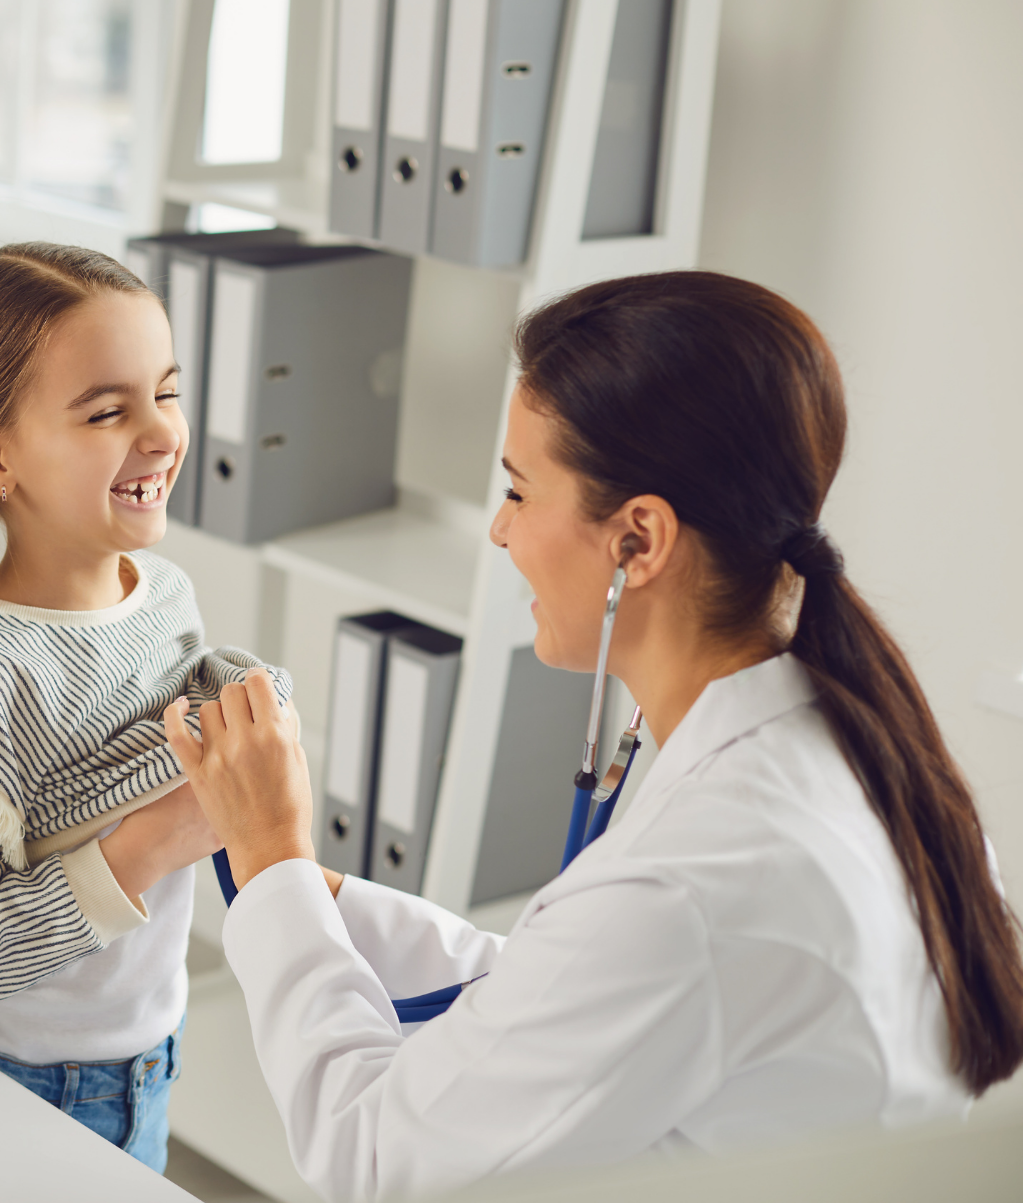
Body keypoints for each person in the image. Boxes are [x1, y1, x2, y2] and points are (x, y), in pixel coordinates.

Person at [162, 272, 1023, 1201]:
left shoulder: (697, 880)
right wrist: (324, 899)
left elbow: (378, 1164)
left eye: (519, 492)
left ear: (638, 541)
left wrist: (271, 869)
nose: (499, 532)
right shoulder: (848, 747)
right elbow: (556, 996)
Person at [0, 243, 289, 1170]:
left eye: (165, 392)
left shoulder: (164, 596)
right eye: (108, 411)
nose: (161, 434)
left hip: (147, 1061)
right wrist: (156, 837)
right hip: (14, 1090)